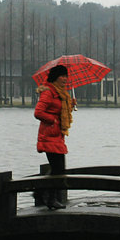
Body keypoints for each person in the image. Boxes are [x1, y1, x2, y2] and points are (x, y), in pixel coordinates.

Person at [34, 64, 74, 210]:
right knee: (58, 169)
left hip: (57, 136)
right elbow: (38, 112)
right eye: (62, 76)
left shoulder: (61, 94)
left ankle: (44, 194)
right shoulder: (48, 92)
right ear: (55, 77)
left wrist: (70, 105)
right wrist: (53, 120)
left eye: (66, 76)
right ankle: (50, 198)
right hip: (49, 136)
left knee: (59, 169)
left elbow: (58, 108)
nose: (65, 79)